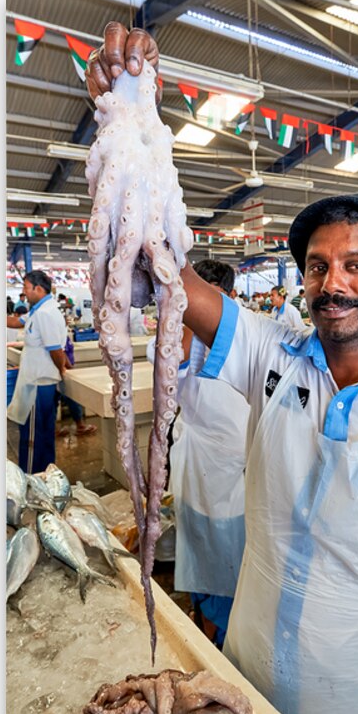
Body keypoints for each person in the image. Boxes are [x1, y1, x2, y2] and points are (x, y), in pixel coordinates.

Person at [87, 25, 358, 714]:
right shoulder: (270, 357)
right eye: (316, 266)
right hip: (249, 692)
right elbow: (167, 277)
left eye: (356, 265)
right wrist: (131, 117)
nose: (332, 282)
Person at [147, 259, 251, 648]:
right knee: (199, 555)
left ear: (230, 297)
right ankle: (203, 625)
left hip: (233, 476)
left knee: (229, 565)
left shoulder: (246, 335)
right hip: (195, 469)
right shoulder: (178, 334)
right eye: (196, 300)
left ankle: (224, 643)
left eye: (213, 299)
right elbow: (167, 367)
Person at [6, 270, 69, 473]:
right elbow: (17, 322)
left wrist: (61, 369)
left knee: (33, 439)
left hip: (39, 385)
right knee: (42, 435)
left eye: (25, 288)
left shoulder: (45, 313)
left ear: (38, 289)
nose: (23, 292)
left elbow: (55, 350)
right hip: (35, 383)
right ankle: (46, 477)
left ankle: (33, 480)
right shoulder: (37, 311)